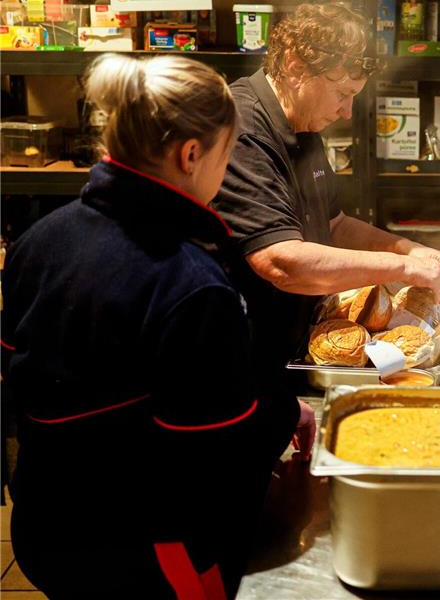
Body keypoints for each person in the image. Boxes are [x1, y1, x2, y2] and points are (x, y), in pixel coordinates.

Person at [0, 54, 310, 599]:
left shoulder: (39, 239)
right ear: (190, 155)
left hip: (43, 525)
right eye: (226, 154)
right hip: (147, 551)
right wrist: (282, 415)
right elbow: (216, 451)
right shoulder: (190, 282)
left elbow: (18, 377)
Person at [212, 4, 440, 384]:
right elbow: (282, 263)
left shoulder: (302, 125)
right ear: (295, 68)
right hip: (242, 361)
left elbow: (335, 225)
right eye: (343, 93)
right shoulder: (243, 131)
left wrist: (407, 249)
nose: (347, 112)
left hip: (295, 345)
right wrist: (403, 268)